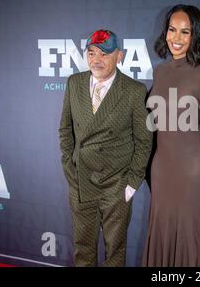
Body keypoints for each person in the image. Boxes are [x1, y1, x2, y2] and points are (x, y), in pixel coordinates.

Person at [142, 5, 200, 267]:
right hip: (162, 173)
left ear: (196, 36)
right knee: (163, 239)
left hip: (194, 175)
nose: (177, 38)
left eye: (186, 32)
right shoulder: (160, 72)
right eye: (172, 30)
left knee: (191, 246)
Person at [59, 29, 153, 266]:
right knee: (83, 250)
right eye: (91, 53)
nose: (96, 60)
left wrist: (131, 184)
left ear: (119, 56)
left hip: (116, 185)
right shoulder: (74, 83)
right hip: (81, 182)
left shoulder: (134, 91)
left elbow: (144, 142)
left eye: (104, 54)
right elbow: (65, 130)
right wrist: (70, 169)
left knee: (115, 253)